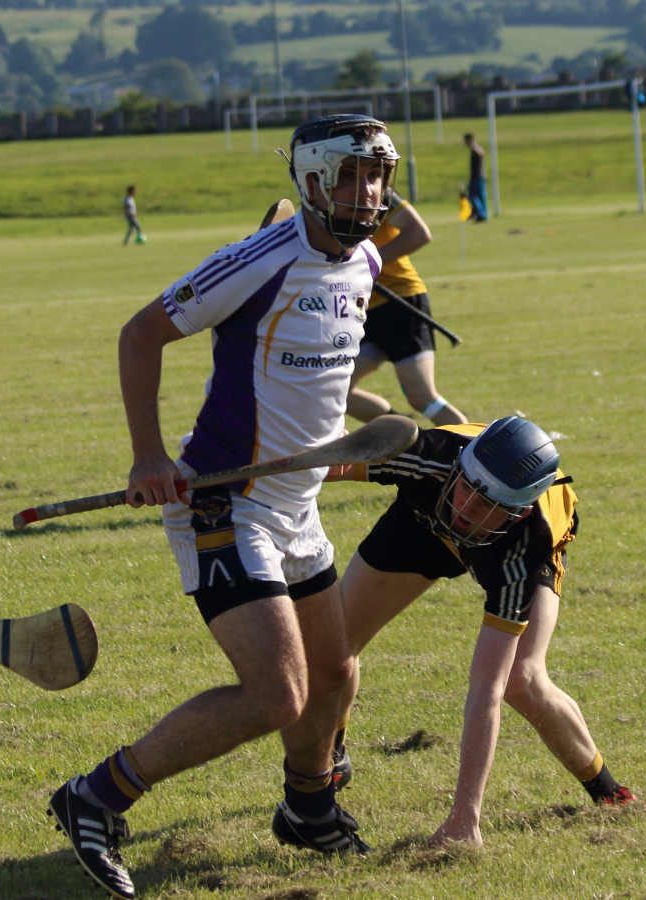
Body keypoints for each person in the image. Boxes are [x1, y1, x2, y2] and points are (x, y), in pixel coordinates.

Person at [46, 115, 399, 900]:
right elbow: (140, 334)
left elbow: (311, 378)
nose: (365, 190)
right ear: (309, 182)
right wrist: (148, 455)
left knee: (336, 674)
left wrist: (335, 445)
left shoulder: (367, 259)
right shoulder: (263, 260)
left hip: (295, 505)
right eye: (348, 174)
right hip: (223, 503)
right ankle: (94, 798)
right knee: (278, 694)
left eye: (375, 173)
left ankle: (308, 809)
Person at [309, 417, 633, 849]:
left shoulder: (525, 543)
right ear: (461, 467)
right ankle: (334, 755)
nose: (466, 508)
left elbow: (486, 690)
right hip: (424, 519)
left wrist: (466, 817)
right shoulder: (429, 458)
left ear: (516, 510)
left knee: (522, 679)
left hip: (503, 547)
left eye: (486, 505)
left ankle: (608, 791)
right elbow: (330, 464)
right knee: (334, 647)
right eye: (467, 487)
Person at [346, 188, 468, 426]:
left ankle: (470, 450)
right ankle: (408, 441)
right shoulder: (324, 198)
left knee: (421, 397)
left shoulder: (378, 192)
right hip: (365, 310)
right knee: (337, 389)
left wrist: (369, 264)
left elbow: (419, 233)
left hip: (401, 303)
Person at [464, 133, 488, 222]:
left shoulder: (476, 149)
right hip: (478, 176)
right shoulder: (475, 150)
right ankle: (480, 214)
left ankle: (480, 214)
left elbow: (480, 152)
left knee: (474, 196)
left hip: (477, 177)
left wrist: (473, 146)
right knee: (479, 196)